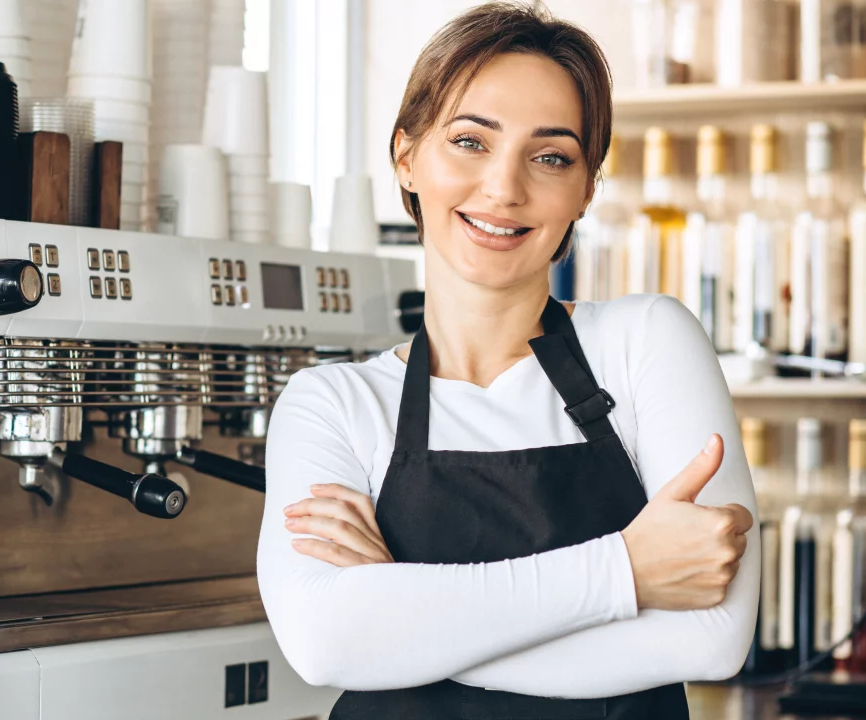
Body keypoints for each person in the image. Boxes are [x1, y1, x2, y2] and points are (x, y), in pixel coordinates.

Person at [256, 3, 759, 718]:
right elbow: (328, 644)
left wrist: (407, 613)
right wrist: (626, 572)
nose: (504, 188)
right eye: (470, 142)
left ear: (586, 188)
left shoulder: (646, 343)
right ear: (407, 156)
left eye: (551, 155)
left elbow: (713, 638)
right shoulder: (332, 404)